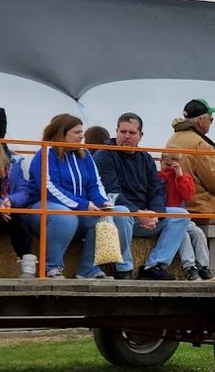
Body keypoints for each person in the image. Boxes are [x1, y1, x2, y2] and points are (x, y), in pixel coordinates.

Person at [26, 114, 134, 280]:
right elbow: (50, 188)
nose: (81, 136)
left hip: (77, 210)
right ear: (62, 133)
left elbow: (95, 184)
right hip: (43, 208)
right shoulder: (46, 153)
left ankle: (88, 270)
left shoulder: (85, 154)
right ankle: (51, 268)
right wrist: (83, 205)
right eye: (77, 132)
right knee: (65, 217)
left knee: (106, 216)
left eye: (82, 132)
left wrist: (103, 203)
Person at [94, 113, 190, 281]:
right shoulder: (104, 155)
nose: (127, 136)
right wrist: (139, 213)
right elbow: (111, 192)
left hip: (144, 216)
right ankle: (124, 268)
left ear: (141, 135)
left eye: (132, 133)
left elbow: (156, 190)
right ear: (116, 131)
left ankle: (154, 266)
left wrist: (155, 214)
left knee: (182, 215)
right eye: (123, 132)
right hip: (117, 216)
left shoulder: (145, 158)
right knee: (120, 211)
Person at [165, 98, 215, 218]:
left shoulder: (173, 139)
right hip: (200, 206)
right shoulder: (201, 144)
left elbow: (193, 165)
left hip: (179, 204)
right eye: (211, 119)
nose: (211, 123)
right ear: (200, 121)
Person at [158, 152, 214, 280]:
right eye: (167, 165)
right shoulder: (157, 177)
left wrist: (179, 176)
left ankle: (203, 266)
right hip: (167, 218)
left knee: (198, 233)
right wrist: (165, 176)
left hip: (182, 217)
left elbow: (188, 195)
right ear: (160, 162)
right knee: (182, 235)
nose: (170, 169)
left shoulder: (184, 178)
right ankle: (189, 267)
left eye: (174, 166)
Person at [0, 107, 35, 278]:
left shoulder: (14, 160)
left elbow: (24, 191)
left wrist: (9, 201)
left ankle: (28, 267)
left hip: (8, 210)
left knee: (17, 218)